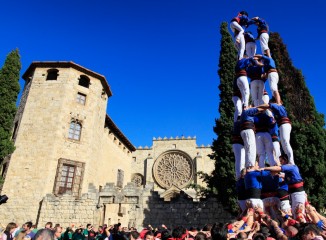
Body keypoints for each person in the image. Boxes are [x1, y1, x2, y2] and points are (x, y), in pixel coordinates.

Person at [261, 154, 306, 221]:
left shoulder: (291, 167)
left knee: (299, 213)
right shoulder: (287, 173)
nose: (280, 163)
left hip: (298, 193)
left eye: (281, 161)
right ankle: (299, 228)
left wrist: (264, 168)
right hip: (293, 194)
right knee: (294, 214)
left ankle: (305, 229)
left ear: (285, 160)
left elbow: (278, 168)